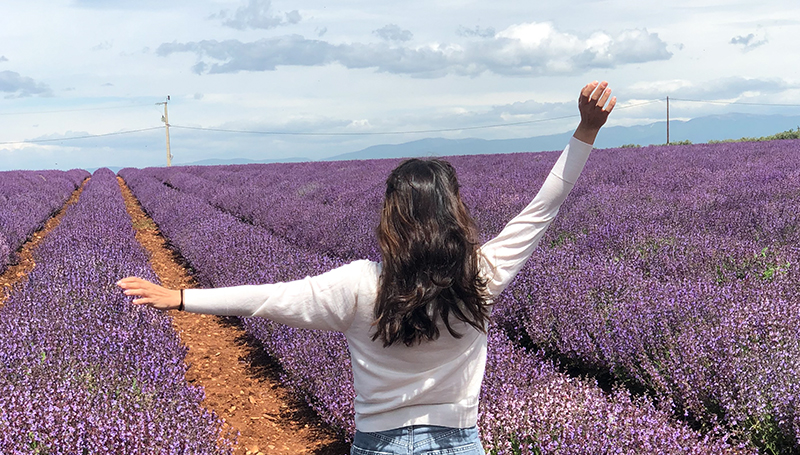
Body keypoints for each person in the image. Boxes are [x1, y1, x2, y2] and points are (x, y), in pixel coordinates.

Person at [117, 81, 615, 455]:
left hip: (379, 444)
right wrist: (586, 130)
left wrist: (180, 297)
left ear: (392, 218)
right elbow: (542, 208)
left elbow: (268, 298)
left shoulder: (358, 285)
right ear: (454, 213)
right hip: (458, 442)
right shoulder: (480, 277)